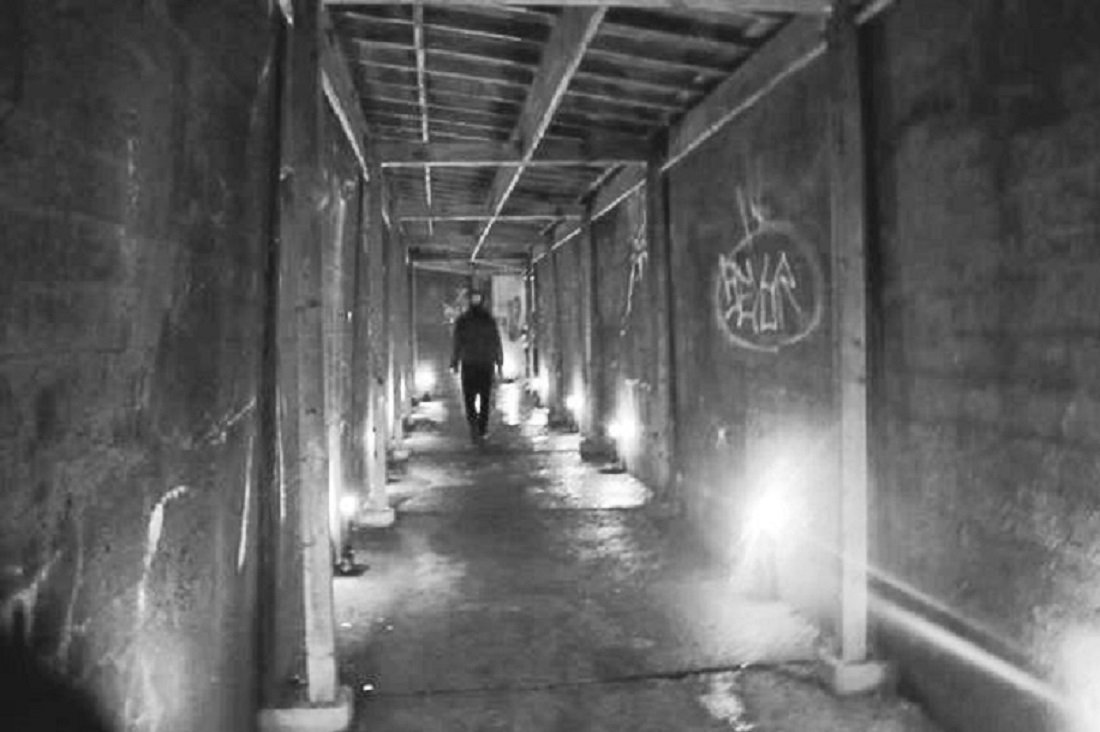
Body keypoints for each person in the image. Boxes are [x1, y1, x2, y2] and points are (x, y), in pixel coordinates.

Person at [450, 288, 503, 442]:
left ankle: (474, 425)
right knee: (485, 398)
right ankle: (482, 428)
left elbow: (457, 342)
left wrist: (455, 361)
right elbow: (495, 341)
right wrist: (499, 361)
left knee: (469, 398)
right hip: (485, 363)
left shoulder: (463, 321)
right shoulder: (488, 320)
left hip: (470, 363)